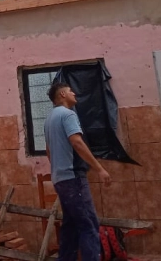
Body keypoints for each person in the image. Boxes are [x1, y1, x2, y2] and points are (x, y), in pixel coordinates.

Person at [44, 80, 111, 261]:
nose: (74, 93)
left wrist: (59, 170)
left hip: (60, 179)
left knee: (70, 227)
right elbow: (77, 142)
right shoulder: (68, 114)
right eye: (70, 90)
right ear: (62, 95)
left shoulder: (49, 119)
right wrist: (100, 169)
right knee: (89, 225)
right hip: (73, 179)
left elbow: (49, 152)